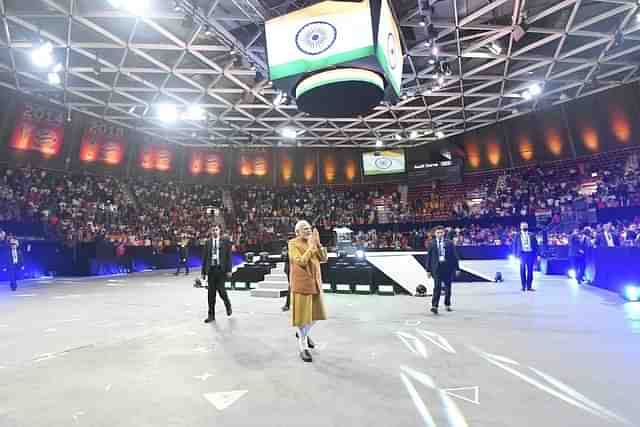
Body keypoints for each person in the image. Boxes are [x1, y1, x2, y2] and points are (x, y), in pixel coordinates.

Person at [288, 220, 327, 363]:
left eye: (309, 228)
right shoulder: (292, 243)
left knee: (316, 315)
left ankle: (302, 333)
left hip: (315, 284)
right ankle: (303, 346)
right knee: (302, 318)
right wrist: (311, 248)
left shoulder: (313, 241)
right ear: (297, 232)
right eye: (304, 228)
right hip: (301, 285)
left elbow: (324, 258)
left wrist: (319, 244)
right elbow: (301, 261)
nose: (308, 230)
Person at [201, 225, 233, 323]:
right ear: (211, 231)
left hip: (221, 270)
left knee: (221, 291)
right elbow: (205, 257)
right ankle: (211, 315)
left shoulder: (225, 242)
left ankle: (227, 304)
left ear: (219, 231)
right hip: (211, 270)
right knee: (211, 294)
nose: (215, 231)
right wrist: (203, 272)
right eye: (213, 230)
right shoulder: (208, 243)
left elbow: (228, 256)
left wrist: (229, 270)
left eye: (216, 230)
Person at [425, 226, 459, 315]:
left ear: (444, 233)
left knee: (448, 287)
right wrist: (428, 270)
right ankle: (434, 306)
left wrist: (457, 268)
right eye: (438, 232)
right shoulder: (431, 243)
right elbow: (429, 257)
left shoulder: (449, 243)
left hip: (447, 268)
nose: (439, 234)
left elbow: (454, 256)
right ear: (435, 234)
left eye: (441, 232)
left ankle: (447, 304)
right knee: (437, 287)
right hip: (436, 268)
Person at [512, 222, 539, 292]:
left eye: (525, 226)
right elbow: (514, 245)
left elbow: (536, 246)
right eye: (523, 226)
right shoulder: (517, 235)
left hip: (530, 254)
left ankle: (529, 286)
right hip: (522, 254)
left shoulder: (532, 235)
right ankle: (523, 286)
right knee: (522, 270)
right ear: (520, 227)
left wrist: (537, 255)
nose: (524, 227)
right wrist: (515, 255)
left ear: (527, 227)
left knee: (530, 271)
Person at [281, 245, 291, 312]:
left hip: (291, 268)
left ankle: (287, 305)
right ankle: (287, 305)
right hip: (290, 268)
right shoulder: (289, 248)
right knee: (291, 287)